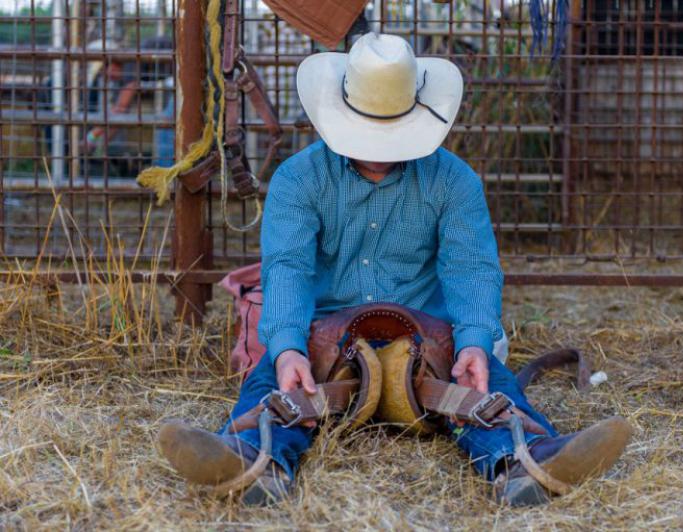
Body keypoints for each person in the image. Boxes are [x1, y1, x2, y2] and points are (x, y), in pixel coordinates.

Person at [157, 33, 632, 507]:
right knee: (274, 382)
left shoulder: (454, 180)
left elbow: (472, 269)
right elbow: (289, 269)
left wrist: (472, 343)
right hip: (327, 336)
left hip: (427, 338)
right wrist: (285, 349)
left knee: (486, 383)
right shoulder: (299, 179)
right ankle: (253, 461)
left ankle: (523, 462)